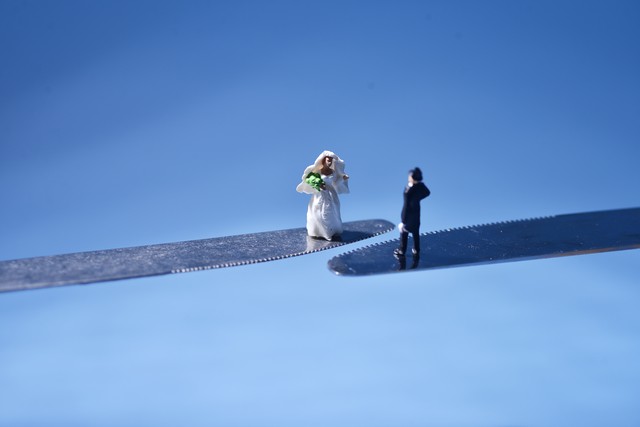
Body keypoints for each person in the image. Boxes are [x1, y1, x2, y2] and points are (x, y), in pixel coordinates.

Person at [296, 151, 349, 240]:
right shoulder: (318, 172)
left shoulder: (333, 172)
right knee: (318, 211)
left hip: (331, 194)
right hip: (320, 194)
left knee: (333, 211)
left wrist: (343, 178)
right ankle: (320, 231)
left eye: (331, 161)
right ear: (323, 161)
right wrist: (319, 185)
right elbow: (312, 180)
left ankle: (332, 230)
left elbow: (336, 183)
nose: (330, 162)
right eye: (328, 160)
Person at [394, 167, 430, 257]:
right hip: (416, 214)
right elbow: (427, 192)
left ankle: (402, 250)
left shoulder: (409, 190)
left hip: (408, 216)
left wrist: (403, 221)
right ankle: (416, 250)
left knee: (404, 232)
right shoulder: (419, 187)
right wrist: (418, 197)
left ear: (412, 177)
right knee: (415, 232)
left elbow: (406, 206)